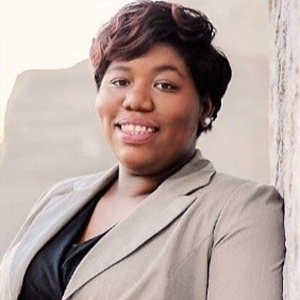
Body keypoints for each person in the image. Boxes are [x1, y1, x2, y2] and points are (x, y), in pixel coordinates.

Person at [0, 1, 285, 299]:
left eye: (164, 85)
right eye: (120, 81)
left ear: (206, 106)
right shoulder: (58, 198)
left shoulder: (238, 210)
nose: (136, 100)